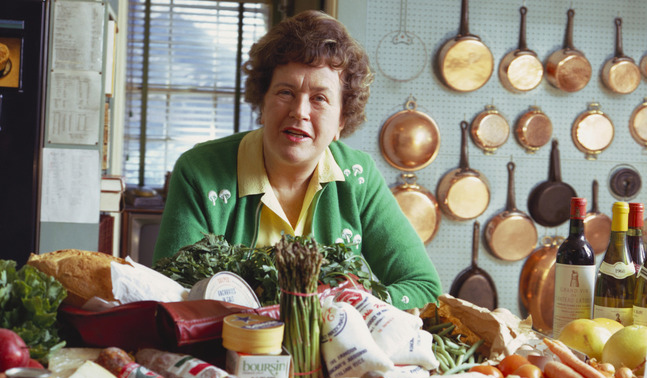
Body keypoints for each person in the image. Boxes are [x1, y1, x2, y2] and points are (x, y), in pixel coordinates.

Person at [153, 10, 441, 310]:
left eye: (319, 98)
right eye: (286, 92)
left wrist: (351, 305)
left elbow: (424, 287)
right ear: (263, 103)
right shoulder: (199, 171)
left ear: (342, 120)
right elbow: (170, 292)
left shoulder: (359, 177)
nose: (299, 111)